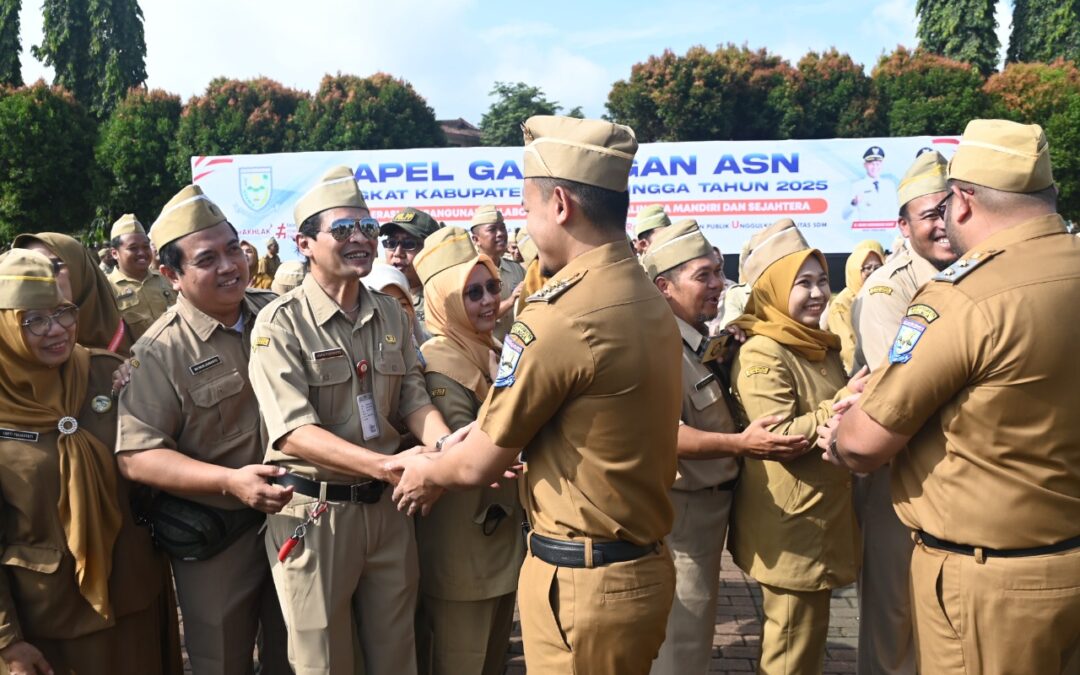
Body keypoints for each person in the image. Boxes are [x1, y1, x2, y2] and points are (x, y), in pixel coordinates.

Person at [387, 115, 682, 675]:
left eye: (527, 208)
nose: (524, 221)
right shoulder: (642, 293)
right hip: (635, 568)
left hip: (584, 585)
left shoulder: (562, 317)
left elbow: (481, 461)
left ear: (561, 205)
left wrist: (425, 472)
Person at [824, 119, 1080, 674]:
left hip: (991, 583)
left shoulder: (963, 298)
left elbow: (867, 443)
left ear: (962, 202)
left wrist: (839, 438)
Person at [248, 166, 454, 674]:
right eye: (342, 230)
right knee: (324, 662)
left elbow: (411, 397)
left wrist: (449, 449)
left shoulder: (389, 312)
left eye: (367, 228)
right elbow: (294, 432)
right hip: (316, 515)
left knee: (396, 656)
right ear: (305, 244)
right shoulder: (280, 323)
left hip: (387, 510)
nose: (360, 239)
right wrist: (385, 467)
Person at [115, 186, 290, 675]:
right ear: (171, 274)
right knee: (222, 662)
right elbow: (136, 455)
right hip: (220, 540)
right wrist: (230, 481)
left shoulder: (276, 314)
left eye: (233, 248)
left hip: (297, 524)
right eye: (207, 259)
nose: (230, 266)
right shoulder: (161, 352)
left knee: (299, 657)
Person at [0, 250, 181, 675]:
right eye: (35, 320)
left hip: (134, 594)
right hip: (46, 622)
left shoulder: (106, 375)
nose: (57, 330)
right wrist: (7, 641)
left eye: (63, 313)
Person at [642, 219, 809, 675]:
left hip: (704, 517)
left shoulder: (694, 342)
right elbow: (666, 433)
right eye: (704, 276)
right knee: (681, 647)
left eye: (718, 271)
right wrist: (742, 443)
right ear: (665, 287)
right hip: (683, 519)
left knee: (691, 639)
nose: (719, 284)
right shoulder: (657, 346)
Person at [728, 223, 863, 675]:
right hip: (792, 528)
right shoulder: (764, 351)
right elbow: (780, 434)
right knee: (789, 651)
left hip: (819, 519)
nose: (818, 293)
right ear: (771, 290)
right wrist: (842, 404)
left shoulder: (816, 345)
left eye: (822, 280)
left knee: (806, 646)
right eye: (801, 284)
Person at [846, 149, 956, 675]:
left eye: (948, 208)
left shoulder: (968, 274)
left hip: (954, 483)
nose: (942, 224)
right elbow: (906, 402)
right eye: (928, 215)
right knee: (894, 624)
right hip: (898, 481)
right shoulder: (889, 290)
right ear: (903, 224)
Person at [409, 227, 525, 675]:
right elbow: (468, 450)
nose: (487, 300)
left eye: (492, 287)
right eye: (471, 293)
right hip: (461, 549)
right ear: (443, 301)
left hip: (494, 538)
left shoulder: (489, 347)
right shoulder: (441, 365)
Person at [13, 232, 134, 355]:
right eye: (26, 270)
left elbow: (139, 363)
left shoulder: (130, 330)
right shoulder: (14, 342)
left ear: (79, 270)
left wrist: (134, 367)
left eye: (49, 267)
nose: (36, 277)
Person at [107, 214, 175, 340]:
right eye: (133, 248)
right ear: (115, 253)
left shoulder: (166, 278)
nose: (142, 253)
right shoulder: (107, 288)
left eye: (145, 246)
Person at [823, 240, 885, 372]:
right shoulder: (842, 305)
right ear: (854, 271)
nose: (873, 272)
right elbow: (848, 351)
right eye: (867, 268)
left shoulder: (883, 296)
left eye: (878, 267)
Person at [469, 205, 525, 342]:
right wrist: (510, 301)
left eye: (502, 228)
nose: (500, 233)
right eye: (492, 230)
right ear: (476, 239)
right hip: (484, 352)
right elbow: (471, 318)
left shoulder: (517, 269)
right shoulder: (469, 274)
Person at [381, 207, 442, 327]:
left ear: (430, 251)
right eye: (391, 243)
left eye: (409, 244)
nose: (398, 252)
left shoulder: (442, 301)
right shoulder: (373, 296)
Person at [363, 263, 427, 347]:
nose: (397, 313)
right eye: (384, 305)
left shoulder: (432, 352)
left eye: (403, 304)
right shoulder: (352, 356)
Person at [843, 146, 899, 223]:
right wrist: (853, 203)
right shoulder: (857, 186)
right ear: (865, 165)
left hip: (887, 231)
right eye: (871, 164)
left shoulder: (889, 185)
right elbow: (845, 215)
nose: (875, 167)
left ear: (881, 165)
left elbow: (895, 211)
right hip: (866, 232)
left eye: (877, 164)